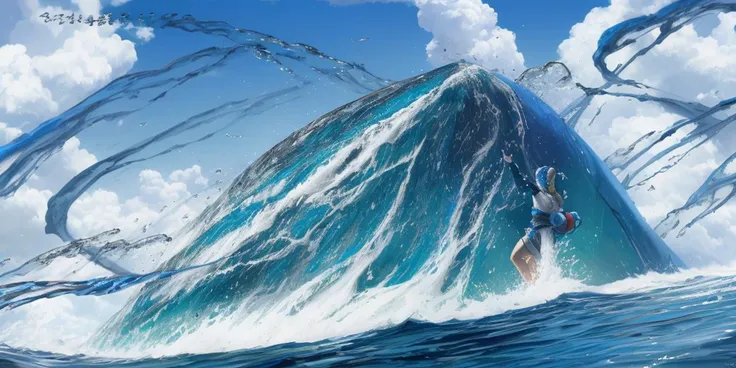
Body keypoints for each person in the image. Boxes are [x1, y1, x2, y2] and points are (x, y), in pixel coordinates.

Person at [502, 151, 581, 283]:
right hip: (547, 240)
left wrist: (511, 164)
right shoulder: (557, 203)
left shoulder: (539, 194)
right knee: (529, 258)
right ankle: (535, 284)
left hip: (536, 237)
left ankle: (531, 287)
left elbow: (522, 183)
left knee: (515, 257)